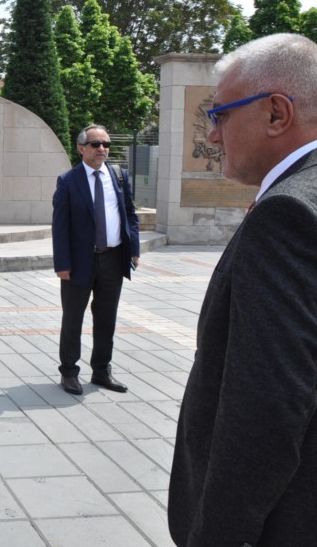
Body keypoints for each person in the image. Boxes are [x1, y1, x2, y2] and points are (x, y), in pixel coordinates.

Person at [169, 34, 317, 546]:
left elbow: (266, 409)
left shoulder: (286, 215)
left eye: (221, 115)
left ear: (277, 114)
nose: (212, 136)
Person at [52, 124, 140, 395]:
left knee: (107, 318)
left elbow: (130, 215)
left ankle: (102, 370)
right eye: (96, 144)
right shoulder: (68, 181)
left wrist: (133, 249)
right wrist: (62, 264)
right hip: (80, 262)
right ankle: (69, 371)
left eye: (106, 144)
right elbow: (60, 226)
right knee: (73, 318)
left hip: (113, 259)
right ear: (81, 148)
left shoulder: (119, 176)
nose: (102, 149)